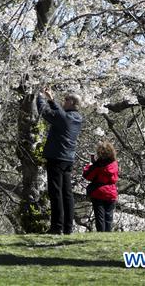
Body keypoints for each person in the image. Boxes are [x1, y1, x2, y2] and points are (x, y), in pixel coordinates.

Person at [37, 87, 83, 234]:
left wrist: (40, 98)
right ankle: (68, 227)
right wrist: (51, 99)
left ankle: (57, 227)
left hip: (56, 157)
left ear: (71, 102)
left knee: (55, 193)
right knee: (67, 194)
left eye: (65, 100)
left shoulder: (64, 118)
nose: (63, 102)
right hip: (68, 159)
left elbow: (46, 113)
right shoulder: (76, 118)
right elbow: (60, 114)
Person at [83, 141, 119, 232]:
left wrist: (90, 165)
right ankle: (108, 235)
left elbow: (87, 176)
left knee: (100, 218)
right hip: (111, 193)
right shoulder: (114, 164)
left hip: (99, 193)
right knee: (108, 217)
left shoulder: (98, 166)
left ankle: (101, 235)